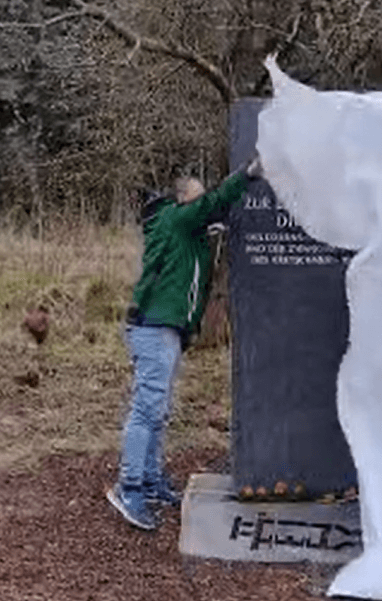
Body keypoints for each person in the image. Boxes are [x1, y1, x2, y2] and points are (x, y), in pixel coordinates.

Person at [107, 159, 262, 530]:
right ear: (182, 202)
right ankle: (129, 488)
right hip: (155, 327)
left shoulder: (186, 235)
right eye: (197, 199)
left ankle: (150, 479)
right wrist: (249, 173)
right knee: (147, 409)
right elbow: (212, 204)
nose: (204, 204)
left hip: (166, 328)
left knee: (158, 410)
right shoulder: (176, 221)